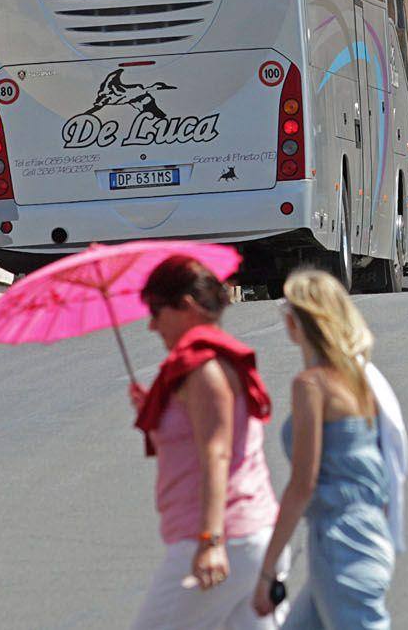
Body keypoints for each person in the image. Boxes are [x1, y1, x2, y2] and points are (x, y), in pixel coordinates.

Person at [129, 255, 283, 630]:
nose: (151, 325)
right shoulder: (213, 360)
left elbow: (217, 452)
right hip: (249, 538)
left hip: (222, 539)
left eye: (156, 310)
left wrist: (210, 541)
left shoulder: (202, 368)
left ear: (186, 307)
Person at [253, 270, 405, 628]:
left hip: (342, 542)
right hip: (360, 533)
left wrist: (267, 570)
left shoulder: (311, 386)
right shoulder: (360, 378)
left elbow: (302, 485)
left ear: (297, 323)